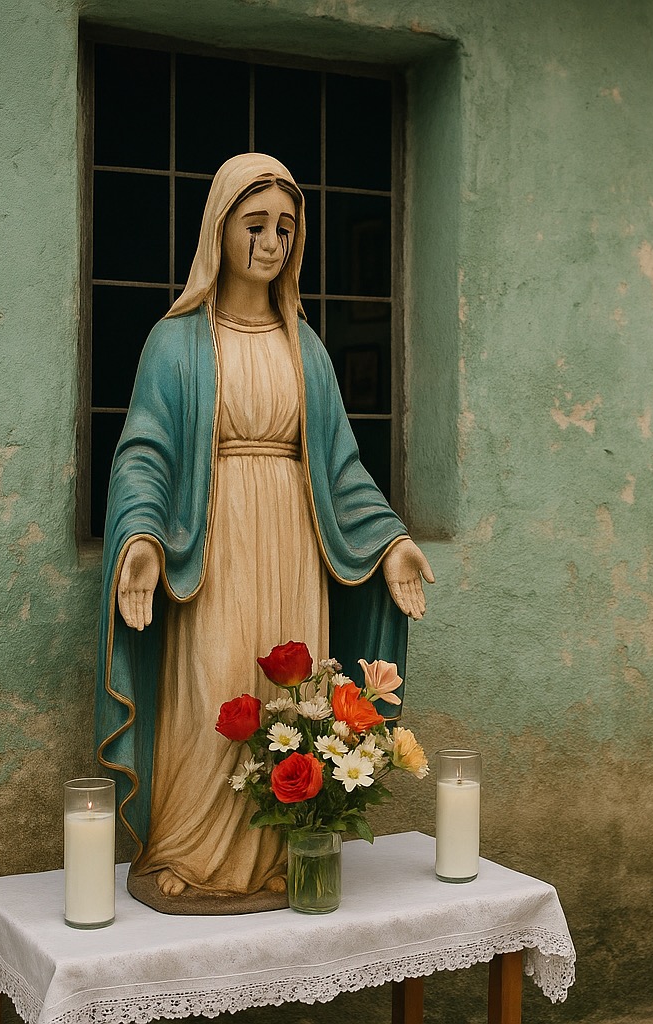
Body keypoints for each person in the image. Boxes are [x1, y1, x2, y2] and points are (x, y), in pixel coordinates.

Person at [93, 152, 432, 902]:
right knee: (214, 690)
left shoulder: (304, 347)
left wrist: (391, 540)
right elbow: (144, 450)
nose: (271, 241)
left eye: (285, 226)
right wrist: (143, 537)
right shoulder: (177, 341)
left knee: (287, 701)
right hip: (212, 545)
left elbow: (341, 464)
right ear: (222, 230)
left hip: (292, 543)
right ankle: (186, 853)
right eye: (255, 224)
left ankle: (282, 855)